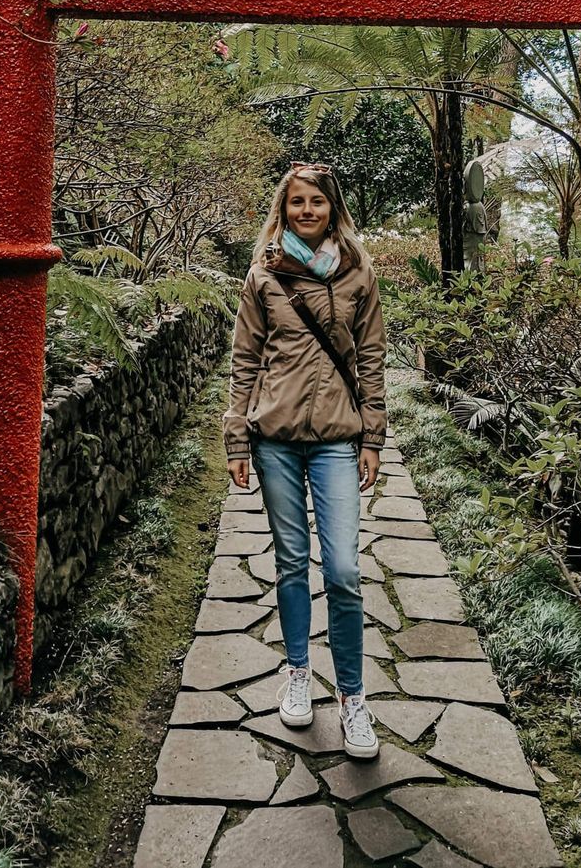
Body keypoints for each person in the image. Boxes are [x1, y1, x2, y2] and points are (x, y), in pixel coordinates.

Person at [224, 162, 387, 758]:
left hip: (337, 438)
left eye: (317, 201)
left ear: (333, 208)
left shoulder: (357, 271)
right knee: (292, 562)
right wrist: (236, 438)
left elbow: (371, 357)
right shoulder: (263, 274)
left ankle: (352, 698)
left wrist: (373, 438)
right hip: (274, 437)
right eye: (297, 202)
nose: (307, 211)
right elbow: (244, 359)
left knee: (343, 570)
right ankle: (297, 672)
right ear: (284, 208)